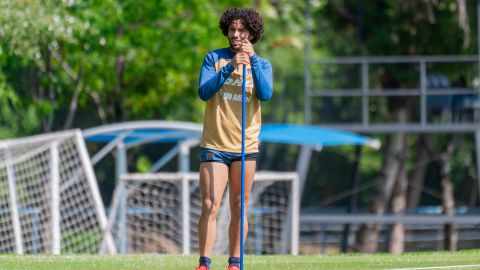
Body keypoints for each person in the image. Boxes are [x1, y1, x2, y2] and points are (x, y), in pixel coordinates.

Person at [195, 7, 273, 270]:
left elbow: (265, 93)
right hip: (215, 144)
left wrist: (252, 62)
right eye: (232, 30)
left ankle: (235, 263)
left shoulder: (262, 64)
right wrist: (230, 67)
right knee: (210, 204)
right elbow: (204, 92)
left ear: (252, 33)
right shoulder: (213, 58)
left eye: (242, 30)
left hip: (245, 146)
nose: (236, 35)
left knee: (239, 205)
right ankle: (204, 263)